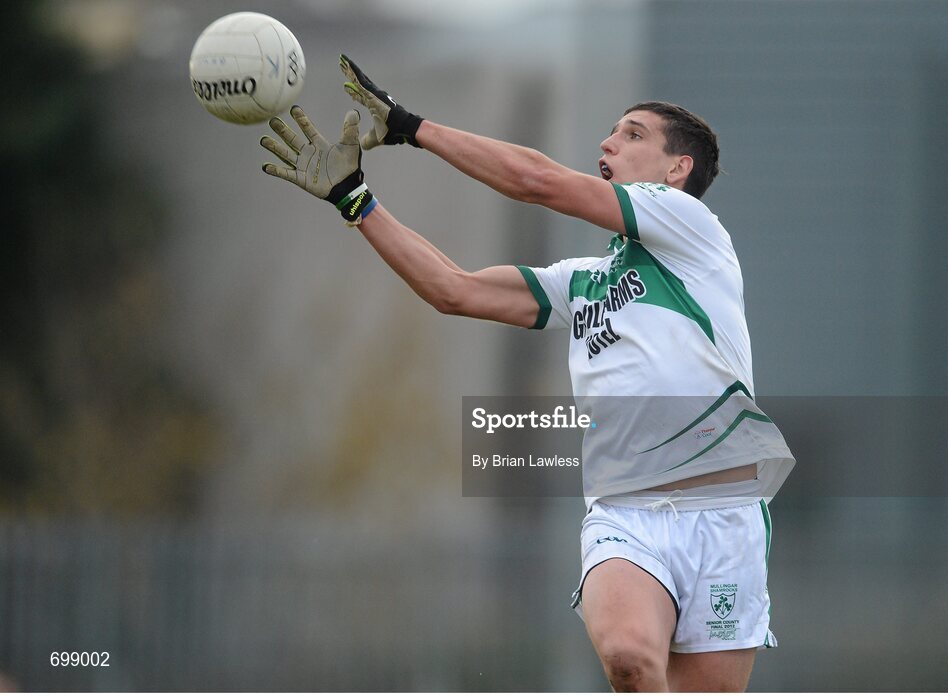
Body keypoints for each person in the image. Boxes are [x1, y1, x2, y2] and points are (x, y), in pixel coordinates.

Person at [259, 55, 795, 692]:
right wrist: (356, 199)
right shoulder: (583, 282)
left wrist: (410, 125)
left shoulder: (690, 227)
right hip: (626, 508)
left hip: (722, 509)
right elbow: (452, 290)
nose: (608, 142)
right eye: (613, 132)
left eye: (633, 134)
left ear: (677, 169)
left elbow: (536, 181)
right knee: (628, 659)